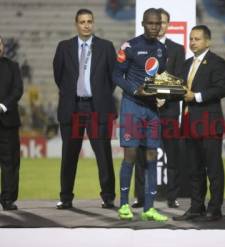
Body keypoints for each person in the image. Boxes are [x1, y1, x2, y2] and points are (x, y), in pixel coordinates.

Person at [53, 9, 117, 209]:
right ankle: (66, 197)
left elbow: (112, 78)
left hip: (97, 109)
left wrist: (98, 95)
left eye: (89, 21)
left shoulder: (106, 47)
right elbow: (59, 76)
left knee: (103, 154)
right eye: (82, 21)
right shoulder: (64, 47)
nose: (86, 25)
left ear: (93, 23)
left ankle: (108, 197)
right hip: (72, 108)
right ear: (76, 24)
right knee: (69, 155)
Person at [113, 8, 168, 221]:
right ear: (143, 24)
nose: (154, 27)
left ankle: (149, 208)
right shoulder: (130, 46)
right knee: (131, 155)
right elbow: (116, 75)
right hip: (132, 107)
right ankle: (124, 204)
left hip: (152, 110)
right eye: (151, 23)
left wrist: (164, 93)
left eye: (158, 24)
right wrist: (136, 90)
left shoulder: (163, 50)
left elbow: (160, 77)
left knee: (152, 156)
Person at [173, 25, 225, 221]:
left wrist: (195, 96)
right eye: (191, 39)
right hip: (188, 123)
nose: (193, 42)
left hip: (209, 123)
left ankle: (215, 208)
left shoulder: (217, 62)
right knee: (194, 169)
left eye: (197, 39)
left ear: (208, 41)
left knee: (213, 169)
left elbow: (221, 89)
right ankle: (197, 207)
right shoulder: (186, 64)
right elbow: (178, 88)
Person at [133, 8, 185, 209]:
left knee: (172, 155)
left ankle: (172, 197)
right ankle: (139, 196)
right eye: (156, 22)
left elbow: (180, 79)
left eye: (163, 22)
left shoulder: (177, 49)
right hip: (145, 109)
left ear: (168, 25)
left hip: (170, 111)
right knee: (141, 154)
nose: (159, 26)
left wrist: (163, 95)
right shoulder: (139, 47)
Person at [0, 35, 23, 210]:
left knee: (11, 163)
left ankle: (8, 199)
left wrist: (3, 105)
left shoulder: (13, 66)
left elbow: (18, 90)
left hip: (8, 122)